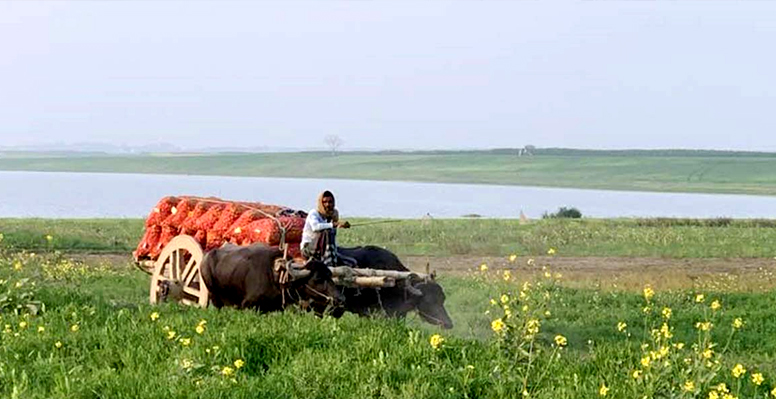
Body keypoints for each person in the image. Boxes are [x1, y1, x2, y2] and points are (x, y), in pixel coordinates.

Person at [300, 191, 356, 267]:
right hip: (309, 249)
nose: (327, 205)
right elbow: (315, 227)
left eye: (330, 202)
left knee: (352, 262)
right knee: (326, 231)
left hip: (325, 250)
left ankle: (332, 258)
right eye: (324, 202)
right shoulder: (314, 213)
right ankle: (329, 263)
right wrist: (334, 224)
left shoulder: (331, 216)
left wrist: (341, 224)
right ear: (320, 203)